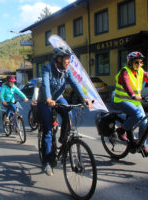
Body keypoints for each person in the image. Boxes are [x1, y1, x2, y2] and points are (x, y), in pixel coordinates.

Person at [37, 46, 93, 176]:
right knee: (48, 131)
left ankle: (63, 138)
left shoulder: (66, 71)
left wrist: (84, 98)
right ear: (59, 58)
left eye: (70, 59)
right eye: (67, 58)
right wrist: (49, 98)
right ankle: (47, 162)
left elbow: (75, 83)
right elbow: (45, 84)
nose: (69, 61)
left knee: (69, 113)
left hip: (58, 98)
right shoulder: (47, 69)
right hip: (45, 101)